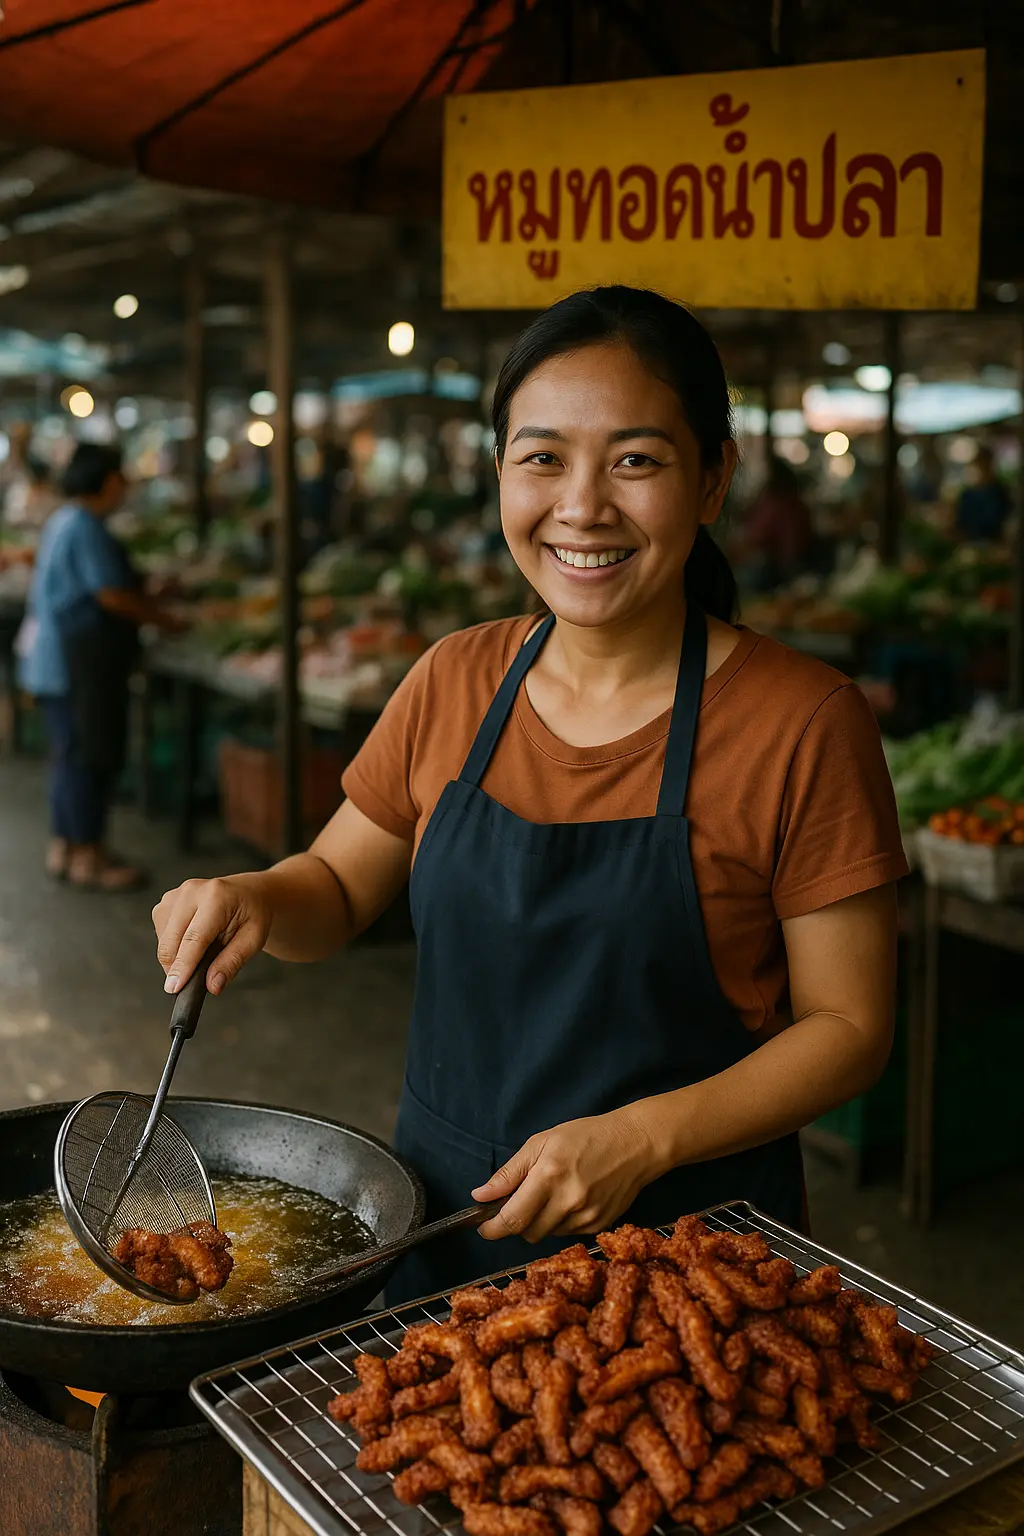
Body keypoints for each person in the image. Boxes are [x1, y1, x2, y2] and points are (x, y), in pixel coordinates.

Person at [153, 287, 907, 1300]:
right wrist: (253, 897)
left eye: (635, 460)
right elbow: (332, 887)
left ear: (714, 477)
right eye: (542, 457)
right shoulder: (453, 679)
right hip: (446, 1231)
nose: (582, 506)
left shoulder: (804, 720)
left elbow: (850, 1029)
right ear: (500, 470)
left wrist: (643, 1137)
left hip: (693, 1267)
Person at [19, 442, 184, 889]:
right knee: (89, 758)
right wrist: (166, 619)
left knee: (70, 755)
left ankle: (66, 849)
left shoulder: (64, 520)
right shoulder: (85, 527)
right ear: (111, 481)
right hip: (77, 664)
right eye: (123, 479)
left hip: (56, 660)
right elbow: (110, 595)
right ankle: (89, 858)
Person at [740, 455, 814, 590]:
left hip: (775, 569)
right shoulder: (794, 503)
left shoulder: (778, 504)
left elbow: (757, 535)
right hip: (789, 565)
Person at [955, 445, 1010, 544]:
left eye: (984, 464)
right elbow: (962, 521)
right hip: (970, 542)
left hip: (994, 544)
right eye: (979, 464)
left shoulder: (999, 492)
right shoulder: (968, 494)